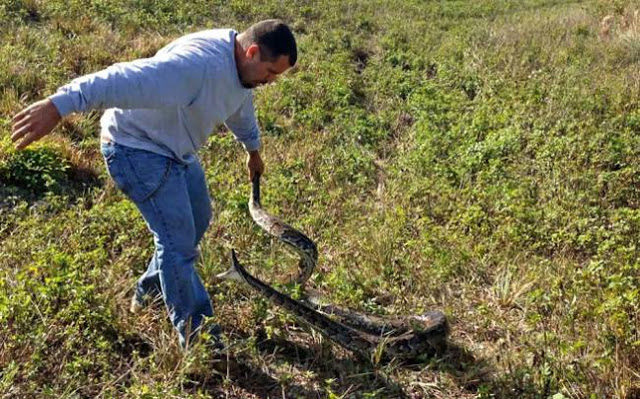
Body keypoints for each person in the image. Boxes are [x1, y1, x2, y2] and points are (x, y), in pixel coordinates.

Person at [10, 19, 297, 350]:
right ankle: (200, 339)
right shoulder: (196, 66)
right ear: (252, 52)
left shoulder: (242, 73)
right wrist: (58, 105)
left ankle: (150, 292)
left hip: (176, 148)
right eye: (271, 73)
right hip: (136, 147)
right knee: (178, 243)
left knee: (198, 218)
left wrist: (253, 151)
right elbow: (126, 78)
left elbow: (239, 107)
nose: (271, 81)